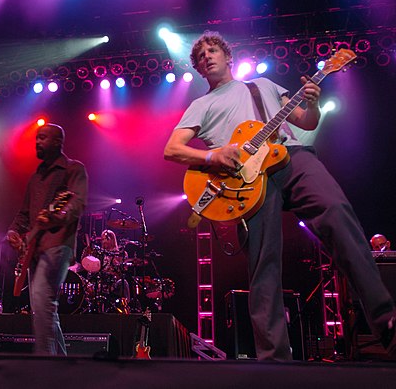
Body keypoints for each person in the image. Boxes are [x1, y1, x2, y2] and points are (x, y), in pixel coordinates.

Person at [163, 31, 396, 361]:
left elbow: (306, 120)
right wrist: (213, 157)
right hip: (245, 181)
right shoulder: (201, 104)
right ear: (198, 69)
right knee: (264, 262)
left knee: (337, 211)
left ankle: (386, 322)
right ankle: (274, 360)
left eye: (213, 50)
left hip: (290, 156)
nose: (207, 57)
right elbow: (172, 149)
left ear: (229, 57)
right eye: (201, 56)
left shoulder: (264, 85)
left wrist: (313, 102)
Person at [6, 123, 88, 355]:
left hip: (58, 245)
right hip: (34, 249)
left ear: (57, 142)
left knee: (43, 301)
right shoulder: (36, 178)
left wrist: (54, 217)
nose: (37, 142)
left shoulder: (74, 169)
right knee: (42, 309)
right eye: (37, 138)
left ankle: (45, 366)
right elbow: (24, 214)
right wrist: (13, 232)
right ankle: (62, 369)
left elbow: (76, 204)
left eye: (43, 138)